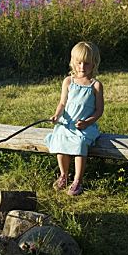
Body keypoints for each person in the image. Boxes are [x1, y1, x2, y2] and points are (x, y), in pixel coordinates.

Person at [45, 41, 104, 196]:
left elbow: (99, 110)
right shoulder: (68, 81)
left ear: (94, 63)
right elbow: (62, 102)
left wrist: (87, 122)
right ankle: (63, 175)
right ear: (73, 62)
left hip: (84, 126)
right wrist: (57, 115)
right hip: (67, 124)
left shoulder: (95, 85)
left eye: (87, 63)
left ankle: (78, 180)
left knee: (79, 144)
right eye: (79, 63)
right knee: (59, 140)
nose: (82, 67)